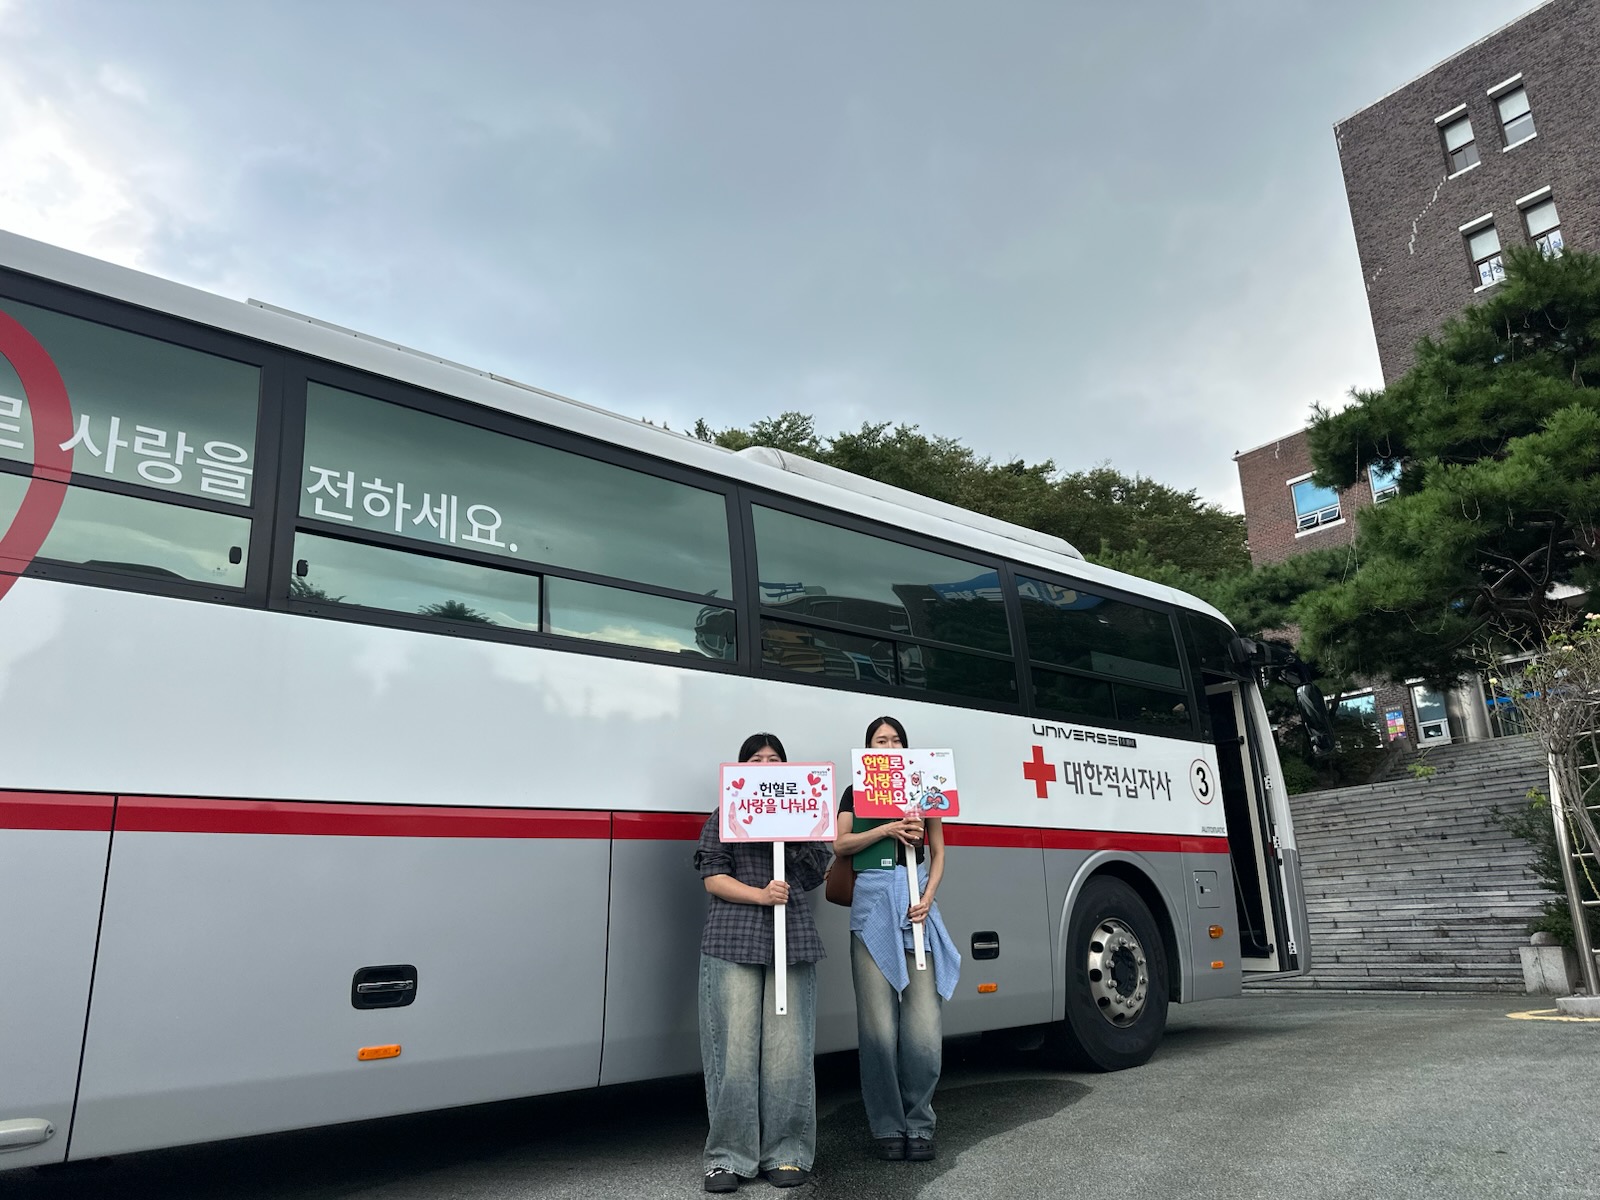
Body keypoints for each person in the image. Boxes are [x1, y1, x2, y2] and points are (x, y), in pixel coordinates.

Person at [695, 732, 831, 1193]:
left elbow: (815, 873)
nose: (766, 766)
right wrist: (761, 895)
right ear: (741, 769)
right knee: (732, 1050)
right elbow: (713, 877)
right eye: (756, 760)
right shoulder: (724, 814)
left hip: (791, 939)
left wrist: (791, 834)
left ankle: (787, 1151)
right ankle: (727, 1157)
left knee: (788, 1051)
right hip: (732, 938)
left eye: (775, 760)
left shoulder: (804, 817)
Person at [833, 715, 960, 1162]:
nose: (888, 747)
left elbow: (939, 851)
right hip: (871, 909)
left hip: (915, 904)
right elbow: (840, 844)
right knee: (877, 1028)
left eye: (895, 740)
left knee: (924, 1024)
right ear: (867, 748)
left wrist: (928, 895)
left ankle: (920, 1122)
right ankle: (887, 1124)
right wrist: (887, 829)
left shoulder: (926, 787)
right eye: (879, 740)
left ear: (906, 748)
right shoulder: (855, 792)